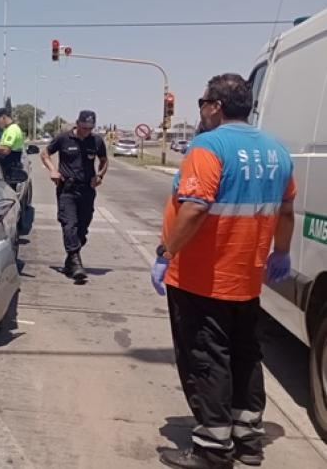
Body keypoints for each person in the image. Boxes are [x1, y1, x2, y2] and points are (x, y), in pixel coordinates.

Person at [151, 74, 296, 469]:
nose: (200, 109)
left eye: (201, 102)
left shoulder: (208, 146)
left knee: (206, 357)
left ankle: (213, 448)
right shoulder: (277, 151)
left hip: (202, 277)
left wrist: (167, 253)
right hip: (247, 278)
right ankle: (248, 438)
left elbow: (196, 206)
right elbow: (286, 211)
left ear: (215, 105)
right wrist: (280, 253)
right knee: (245, 354)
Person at [41, 110, 107, 283]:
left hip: (87, 190)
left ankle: (70, 260)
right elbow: (45, 154)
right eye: (84, 127)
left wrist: (100, 176)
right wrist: (53, 170)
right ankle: (76, 263)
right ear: (77, 123)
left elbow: (104, 160)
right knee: (69, 224)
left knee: (82, 229)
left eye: (90, 128)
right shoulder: (64, 138)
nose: (86, 131)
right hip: (67, 189)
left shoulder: (97, 141)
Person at [0, 107, 25, 176]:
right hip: (8, 169)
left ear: (4, 117)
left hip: (11, 171)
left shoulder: (12, 129)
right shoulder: (8, 129)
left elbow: (5, 150)